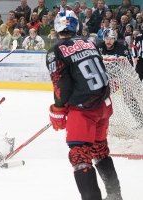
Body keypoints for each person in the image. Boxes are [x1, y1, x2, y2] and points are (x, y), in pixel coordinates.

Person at [46, 10, 122, 200]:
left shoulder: (55, 50)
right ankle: (115, 195)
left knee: (79, 156)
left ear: (57, 27)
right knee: (100, 150)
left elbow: (60, 84)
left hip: (83, 110)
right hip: (104, 104)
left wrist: (58, 110)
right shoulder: (90, 42)